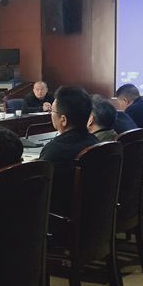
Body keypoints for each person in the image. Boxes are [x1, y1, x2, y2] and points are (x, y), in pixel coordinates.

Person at [40, 86, 98, 216]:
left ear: (63, 120)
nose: (51, 114)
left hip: (61, 219)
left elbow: (40, 192)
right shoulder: (95, 142)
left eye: (52, 111)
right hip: (94, 215)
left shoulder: (55, 151)